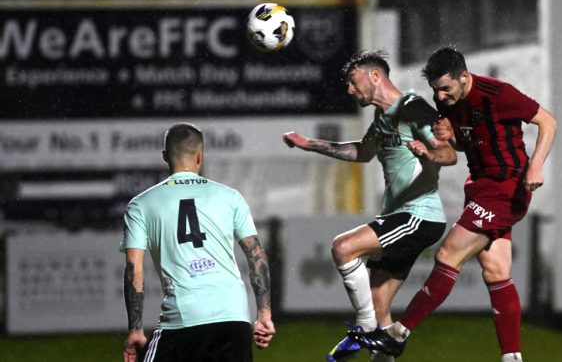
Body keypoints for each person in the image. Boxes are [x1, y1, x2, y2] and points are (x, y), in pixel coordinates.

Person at [350, 47, 557, 362]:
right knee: (495, 270)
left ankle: (398, 333)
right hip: (479, 187)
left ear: (464, 77)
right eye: (436, 90)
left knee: (449, 253)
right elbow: (463, 143)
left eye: (446, 88)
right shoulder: (446, 100)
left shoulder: (498, 94)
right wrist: (448, 137)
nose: (441, 96)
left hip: (506, 187)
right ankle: (512, 356)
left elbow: (548, 121)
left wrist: (536, 165)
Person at [283, 50, 456, 362]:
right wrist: (309, 144)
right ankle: (376, 334)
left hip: (418, 214)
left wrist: (431, 154)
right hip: (401, 216)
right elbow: (362, 153)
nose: (350, 90)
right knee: (379, 305)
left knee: (343, 247)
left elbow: (449, 153)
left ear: (375, 76)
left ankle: (363, 327)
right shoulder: (383, 118)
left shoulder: (412, 108)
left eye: (353, 81)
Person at [120, 123, 275, 362]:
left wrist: (135, 329)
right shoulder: (230, 196)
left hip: (185, 317)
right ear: (200, 156)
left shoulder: (141, 205)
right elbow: (256, 255)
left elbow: (134, 269)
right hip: (233, 315)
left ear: (165, 156)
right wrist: (264, 313)